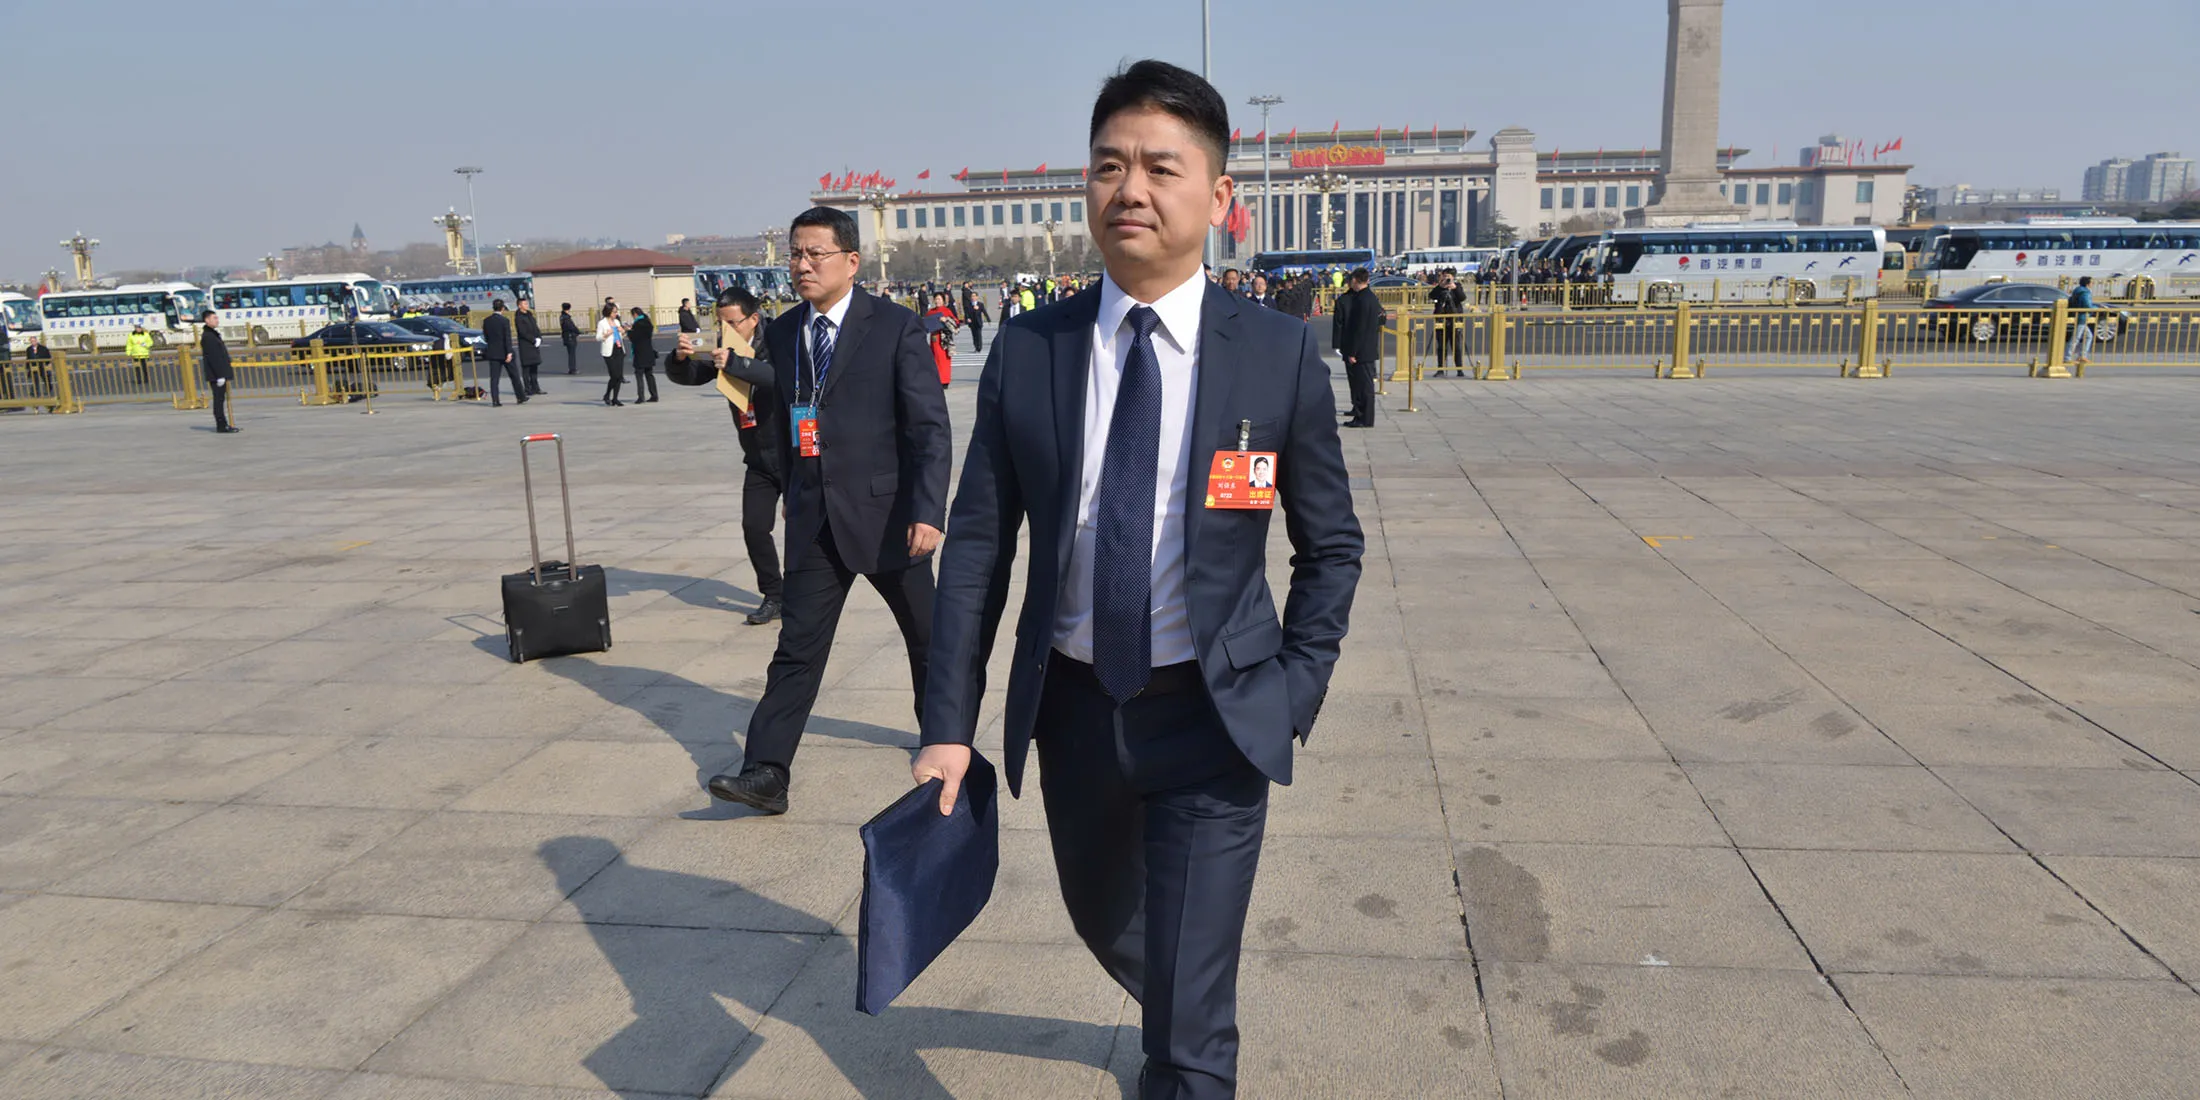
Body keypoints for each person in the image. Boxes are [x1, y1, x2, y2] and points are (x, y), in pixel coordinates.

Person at [914, 60, 1362, 1100]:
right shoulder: (1031, 348)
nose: (1131, 189)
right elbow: (977, 544)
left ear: (1218, 198)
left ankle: (1189, 1052)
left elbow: (1330, 544)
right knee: (1108, 917)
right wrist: (948, 721)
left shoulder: (1280, 355)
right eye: (1110, 165)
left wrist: (1295, 685)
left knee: (1189, 1034)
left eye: (1162, 167)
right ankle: (1182, 1010)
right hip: (1073, 710)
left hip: (1215, 712)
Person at [703, 205, 952, 816]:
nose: (803, 264)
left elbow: (929, 428)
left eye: (815, 253)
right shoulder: (787, 332)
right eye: (795, 253)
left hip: (889, 516)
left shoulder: (895, 326)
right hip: (815, 520)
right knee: (797, 647)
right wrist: (794, 490)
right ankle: (766, 770)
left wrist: (929, 510)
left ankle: (947, 740)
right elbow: (792, 420)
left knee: (930, 642)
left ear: (850, 261)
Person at [669, 285, 786, 625]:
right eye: (721, 322)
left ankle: (805, 594)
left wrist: (737, 363)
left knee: (802, 529)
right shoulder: (722, 346)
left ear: (753, 319)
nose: (726, 330)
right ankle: (774, 594)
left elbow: (780, 380)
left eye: (733, 322)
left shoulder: (779, 341)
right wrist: (680, 359)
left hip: (792, 454)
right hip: (758, 458)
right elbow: (692, 376)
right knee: (753, 526)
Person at [1333, 269, 1384, 427]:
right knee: (1364, 386)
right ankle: (1362, 416)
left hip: (1361, 351)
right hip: (1367, 349)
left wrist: (1353, 352)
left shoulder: (1362, 300)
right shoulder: (1370, 297)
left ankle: (1364, 418)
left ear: (1355, 280)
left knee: (1364, 387)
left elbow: (1359, 329)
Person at [198, 310, 238, 433]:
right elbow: (213, 357)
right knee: (218, 400)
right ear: (207, 320)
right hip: (216, 375)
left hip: (219, 374)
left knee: (221, 399)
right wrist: (220, 375)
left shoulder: (213, 334)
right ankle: (221, 425)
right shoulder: (208, 336)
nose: (217, 320)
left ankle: (224, 424)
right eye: (214, 318)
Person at [481, 299, 526, 407]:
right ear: (502, 308)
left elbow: (486, 336)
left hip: (493, 352)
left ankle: (495, 400)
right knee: (514, 375)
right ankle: (520, 397)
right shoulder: (504, 321)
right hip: (505, 352)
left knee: (494, 378)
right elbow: (507, 338)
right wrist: (509, 352)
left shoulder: (486, 321)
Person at [1429, 269, 1467, 377]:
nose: (1447, 279)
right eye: (1444, 276)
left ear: (1453, 277)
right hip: (1441, 320)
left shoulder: (1457, 286)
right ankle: (1441, 369)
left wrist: (1454, 288)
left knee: (1456, 346)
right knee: (1441, 346)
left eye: (1449, 277)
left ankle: (1459, 369)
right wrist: (1441, 287)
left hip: (1455, 320)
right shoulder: (1440, 287)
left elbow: (1462, 298)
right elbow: (1431, 296)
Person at [923, 291, 959, 386]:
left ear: (943, 300)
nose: (937, 301)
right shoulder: (931, 312)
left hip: (944, 339)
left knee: (944, 360)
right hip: (933, 338)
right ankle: (937, 380)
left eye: (939, 299)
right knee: (934, 359)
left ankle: (944, 380)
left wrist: (946, 319)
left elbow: (956, 323)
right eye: (936, 299)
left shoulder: (946, 310)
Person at [597, 305, 627, 406]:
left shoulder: (617, 322)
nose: (616, 314)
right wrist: (606, 334)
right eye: (614, 312)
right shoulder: (602, 323)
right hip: (609, 351)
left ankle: (615, 398)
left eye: (616, 312)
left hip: (619, 349)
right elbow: (598, 337)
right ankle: (607, 394)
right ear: (608, 312)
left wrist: (623, 332)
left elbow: (621, 335)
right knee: (614, 375)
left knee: (619, 376)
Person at [628, 306, 659, 403]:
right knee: (649, 374)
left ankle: (641, 397)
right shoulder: (648, 323)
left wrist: (629, 330)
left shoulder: (637, 324)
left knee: (639, 374)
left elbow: (634, 338)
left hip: (640, 352)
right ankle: (654, 395)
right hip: (649, 351)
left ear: (635, 314)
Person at [515, 298, 546, 395]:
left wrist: (539, 338)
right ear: (519, 305)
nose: (526, 305)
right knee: (526, 369)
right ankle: (527, 389)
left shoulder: (529, 315)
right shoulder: (519, 317)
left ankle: (536, 387)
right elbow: (522, 332)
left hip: (534, 345)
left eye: (527, 303)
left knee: (534, 367)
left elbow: (535, 327)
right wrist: (533, 339)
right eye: (524, 303)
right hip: (526, 345)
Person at [2065, 275, 2098, 366]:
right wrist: (2096, 308)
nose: (2092, 284)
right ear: (2087, 284)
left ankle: (2082, 356)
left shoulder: (2078, 290)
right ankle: (2067, 357)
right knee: (2076, 338)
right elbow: (2087, 305)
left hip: (2079, 316)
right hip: (2082, 317)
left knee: (2088, 336)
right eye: (2091, 282)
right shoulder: (2085, 293)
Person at [962, 282, 990, 352]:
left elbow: (984, 312)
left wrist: (988, 319)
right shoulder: (968, 305)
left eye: (975, 296)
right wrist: (967, 318)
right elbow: (967, 313)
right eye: (972, 296)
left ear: (977, 297)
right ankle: (976, 346)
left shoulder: (980, 304)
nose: (973, 297)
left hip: (978, 322)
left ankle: (979, 347)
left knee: (979, 335)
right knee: (974, 335)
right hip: (972, 322)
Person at [559, 303, 582, 374]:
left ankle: (572, 368)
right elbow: (571, 327)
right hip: (570, 337)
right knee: (572, 354)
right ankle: (572, 369)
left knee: (570, 353)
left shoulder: (562, 317)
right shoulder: (566, 318)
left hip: (566, 336)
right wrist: (578, 331)